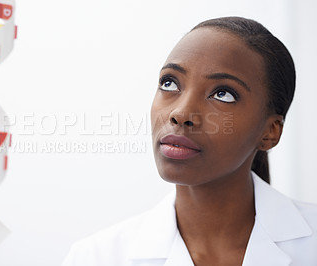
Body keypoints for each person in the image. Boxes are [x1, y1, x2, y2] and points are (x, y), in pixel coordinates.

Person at [62, 16, 317, 266]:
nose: (181, 114)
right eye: (169, 83)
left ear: (270, 132)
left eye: (223, 94)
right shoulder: (94, 258)